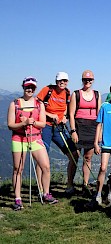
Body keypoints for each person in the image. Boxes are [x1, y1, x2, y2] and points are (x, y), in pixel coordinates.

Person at [7, 76, 58, 210]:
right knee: (18, 169)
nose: (29, 89)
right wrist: (23, 123)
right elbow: (10, 125)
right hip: (19, 138)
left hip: (35, 137)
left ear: (34, 89)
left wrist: (32, 122)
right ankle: (17, 199)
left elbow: (42, 123)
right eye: (27, 87)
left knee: (45, 166)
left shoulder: (39, 104)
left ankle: (46, 193)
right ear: (23, 87)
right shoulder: (15, 104)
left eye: (32, 87)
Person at [37, 72, 78, 195]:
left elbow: (66, 106)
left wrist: (64, 116)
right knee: (41, 158)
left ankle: (69, 186)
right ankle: (41, 188)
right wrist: (50, 115)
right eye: (61, 80)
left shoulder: (67, 92)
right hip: (46, 127)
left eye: (65, 81)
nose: (63, 83)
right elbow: (37, 105)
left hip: (59, 127)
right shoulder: (47, 90)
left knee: (74, 154)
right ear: (56, 80)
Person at [68, 70, 101, 194]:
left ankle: (85, 185)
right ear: (82, 80)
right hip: (79, 126)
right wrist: (73, 131)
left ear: (93, 80)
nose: (88, 82)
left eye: (90, 80)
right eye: (85, 80)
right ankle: (70, 185)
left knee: (88, 157)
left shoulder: (97, 94)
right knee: (74, 157)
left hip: (92, 127)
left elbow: (99, 114)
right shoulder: (76, 94)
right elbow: (71, 114)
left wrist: (99, 132)